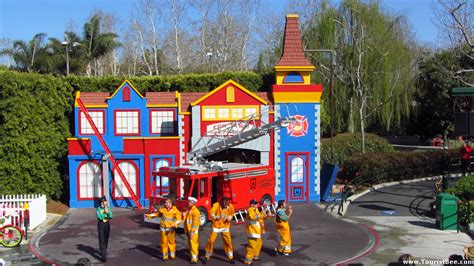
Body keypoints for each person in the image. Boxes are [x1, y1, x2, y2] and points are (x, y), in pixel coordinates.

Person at [203, 197, 235, 264]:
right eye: (225, 205)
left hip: (225, 226)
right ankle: (207, 255)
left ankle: (230, 256)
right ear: (221, 204)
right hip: (216, 226)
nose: (226, 206)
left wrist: (229, 218)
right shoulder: (216, 205)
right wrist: (215, 217)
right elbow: (211, 212)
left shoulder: (230, 206)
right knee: (211, 240)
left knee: (228, 241)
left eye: (227, 205)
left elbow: (232, 214)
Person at [244, 199, 270, 265]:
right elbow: (253, 217)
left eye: (257, 203)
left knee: (259, 243)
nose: (257, 204)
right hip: (252, 231)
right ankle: (248, 260)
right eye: (255, 204)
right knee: (252, 245)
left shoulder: (256, 210)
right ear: (251, 205)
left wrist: (267, 215)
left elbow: (260, 217)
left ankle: (255, 256)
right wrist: (262, 214)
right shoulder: (250, 210)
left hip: (256, 230)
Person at [184, 197, 200, 264]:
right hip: (189, 230)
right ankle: (192, 256)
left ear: (194, 203)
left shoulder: (196, 211)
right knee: (190, 244)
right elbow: (187, 221)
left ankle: (194, 258)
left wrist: (192, 232)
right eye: (189, 201)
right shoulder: (189, 209)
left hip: (193, 231)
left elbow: (195, 223)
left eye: (190, 202)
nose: (189, 203)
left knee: (193, 245)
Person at [96, 196, 112, 262]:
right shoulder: (98, 209)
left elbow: (111, 216)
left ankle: (102, 250)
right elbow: (99, 217)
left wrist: (108, 213)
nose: (104, 203)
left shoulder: (108, 208)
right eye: (102, 202)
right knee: (102, 239)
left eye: (104, 202)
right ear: (100, 203)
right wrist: (105, 214)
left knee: (106, 239)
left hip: (107, 224)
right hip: (101, 225)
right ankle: (104, 256)